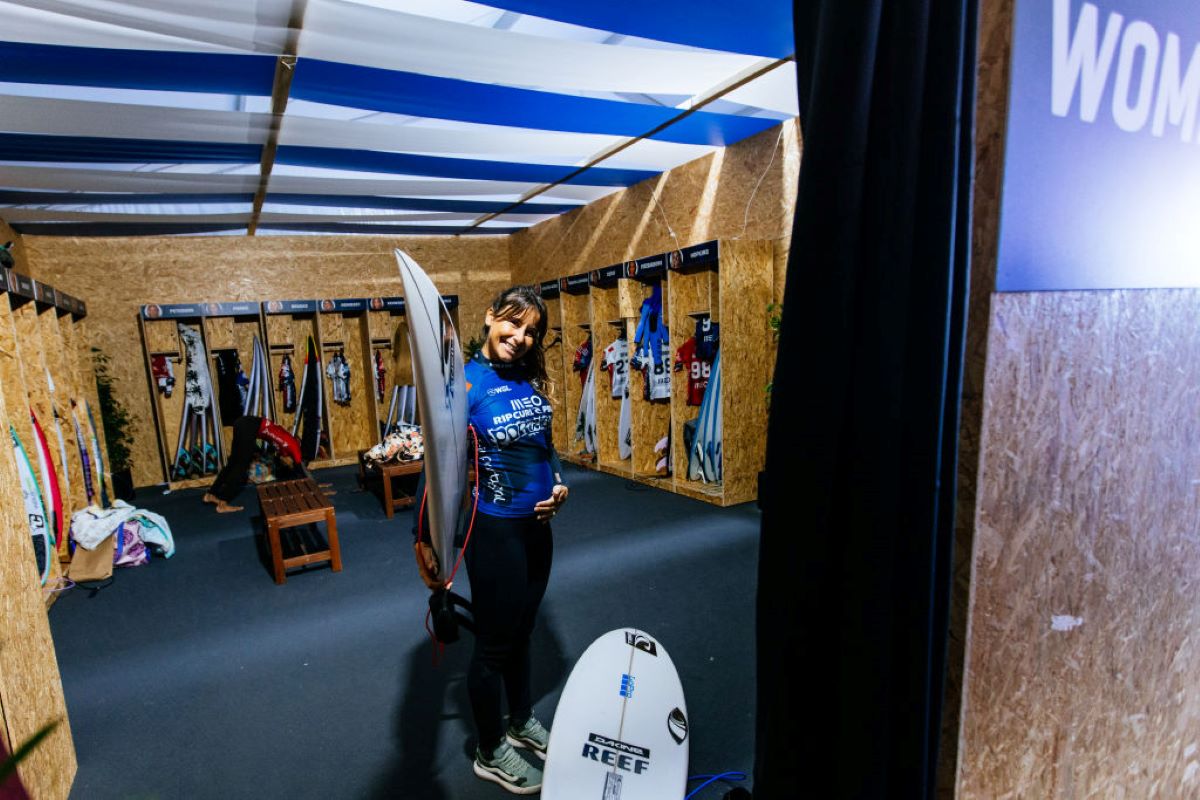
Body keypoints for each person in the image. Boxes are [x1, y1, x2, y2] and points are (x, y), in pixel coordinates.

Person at [413, 285, 568, 795]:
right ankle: (489, 747)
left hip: (538, 531)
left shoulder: (527, 379)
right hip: (495, 531)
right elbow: (435, 470)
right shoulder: (465, 384)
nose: (520, 337)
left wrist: (559, 484)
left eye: (530, 332)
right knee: (494, 646)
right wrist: (425, 540)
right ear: (489, 317)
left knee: (521, 631)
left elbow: (544, 447)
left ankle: (521, 719)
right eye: (512, 324)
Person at [203, 415, 305, 513]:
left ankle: (210, 494)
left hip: (242, 423)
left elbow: (275, 445)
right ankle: (223, 504)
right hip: (249, 427)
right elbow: (300, 469)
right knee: (241, 468)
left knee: (233, 463)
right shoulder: (295, 447)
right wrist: (306, 488)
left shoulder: (283, 440)